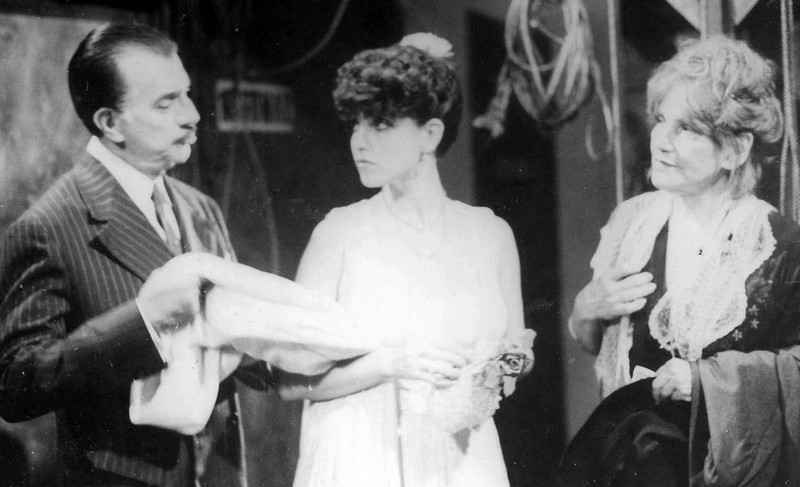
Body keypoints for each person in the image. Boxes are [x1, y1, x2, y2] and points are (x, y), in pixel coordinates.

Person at [0, 22, 264, 487]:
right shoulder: (50, 226)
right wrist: (144, 322)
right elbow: (16, 385)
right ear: (110, 123)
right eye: (166, 103)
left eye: (186, 94)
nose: (192, 115)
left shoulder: (200, 208)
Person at [274, 34, 534, 487]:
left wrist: (506, 364)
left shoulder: (490, 234)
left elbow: (517, 352)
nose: (359, 142)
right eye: (355, 124)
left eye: (379, 125)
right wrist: (390, 363)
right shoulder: (339, 234)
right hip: (362, 458)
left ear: (430, 134)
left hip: (464, 461)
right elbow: (289, 382)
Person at [559, 36, 800, 486]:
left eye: (687, 128)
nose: (660, 141)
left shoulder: (779, 246)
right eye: (661, 120)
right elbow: (598, 343)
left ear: (735, 149)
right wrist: (586, 308)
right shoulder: (632, 223)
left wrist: (709, 383)